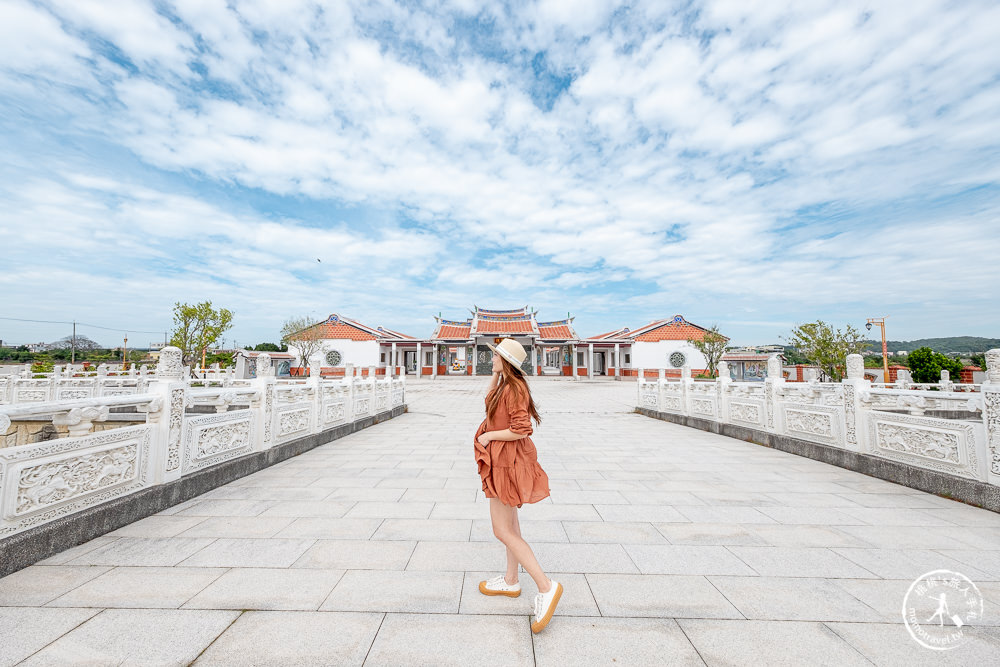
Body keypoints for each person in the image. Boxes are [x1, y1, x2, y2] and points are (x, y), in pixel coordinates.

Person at [473, 338, 562, 633]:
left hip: (505, 463)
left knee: (501, 530)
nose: (491, 358)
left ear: (507, 360)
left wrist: (489, 438)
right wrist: (495, 375)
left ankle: (546, 586)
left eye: (496, 357)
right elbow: (489, 404)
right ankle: (511, 581)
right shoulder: (506, 385)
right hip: (504, 460)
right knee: (511, 528)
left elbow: (522, 428)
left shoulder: (513, 389)